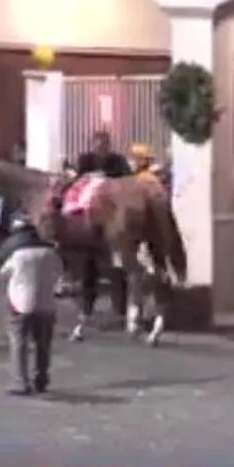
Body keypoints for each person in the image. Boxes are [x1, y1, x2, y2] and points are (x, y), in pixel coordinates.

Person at [0, 214, 62, 396]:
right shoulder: (50, 251)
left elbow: (2, 274)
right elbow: (59, 271)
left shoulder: (15, 252)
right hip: (47, 303)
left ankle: (20, 382)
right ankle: (41, 379)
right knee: (43, 344)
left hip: (20, 303)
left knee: (19, 342)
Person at [73, 131, 130, 324]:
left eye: (104, 144)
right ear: (93, 145)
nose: (101, 148)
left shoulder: (118, 162)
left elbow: (128, 182)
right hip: (89, 220)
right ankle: (87, 308)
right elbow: (77, 183)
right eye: (98, 145)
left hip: (113, 218)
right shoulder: (85, 160)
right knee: (88, 267)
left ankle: (120, 309)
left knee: (117, 268)